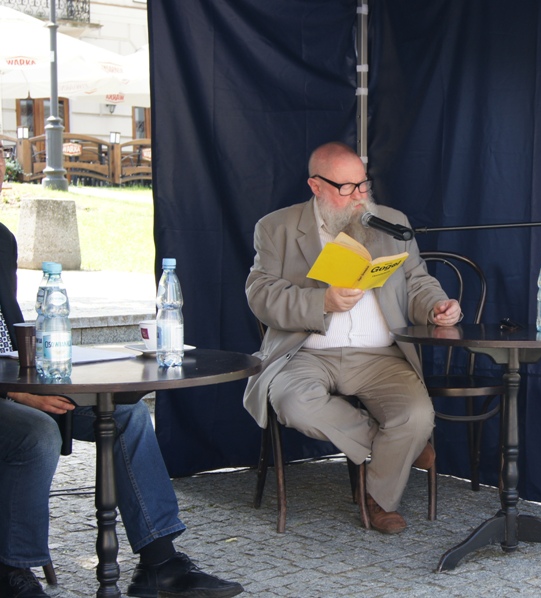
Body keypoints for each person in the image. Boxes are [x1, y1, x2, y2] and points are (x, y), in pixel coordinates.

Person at [0, 223, 243, 597]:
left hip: (19, 381)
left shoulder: (1, 239)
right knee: (36, 433)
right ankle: (12, 570)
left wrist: (37, 375)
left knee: (127, 413)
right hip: (12, 395)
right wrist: (16, 393)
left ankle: (159, 563)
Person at [244, 141, 461, 534]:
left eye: (363, 185)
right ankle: (393, 447)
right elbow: (261, 295)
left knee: (416, 415)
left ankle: (378, 500)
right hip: (307, 352)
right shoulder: (276, 227)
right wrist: (321, 301)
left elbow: (417, 282)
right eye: (346, 188)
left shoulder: (391, 222)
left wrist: (437, 306)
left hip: (380, 356)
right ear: (316, 186)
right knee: (293, 403)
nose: (359, 196)